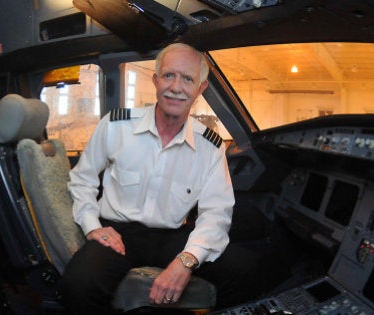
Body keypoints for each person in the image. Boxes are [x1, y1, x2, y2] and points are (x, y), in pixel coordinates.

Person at [59, 42, 260, 313]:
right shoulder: (116, 125)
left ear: (200, 89)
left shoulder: (209, 146)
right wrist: (93, 226)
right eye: (169, 75)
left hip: (173, 235)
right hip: (119, 232)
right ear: (156, 80)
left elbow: (217, 214)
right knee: (78, 283)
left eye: (187, 79)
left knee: (245, 269)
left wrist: (186, 260)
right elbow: (82, 180)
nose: (176, 87)